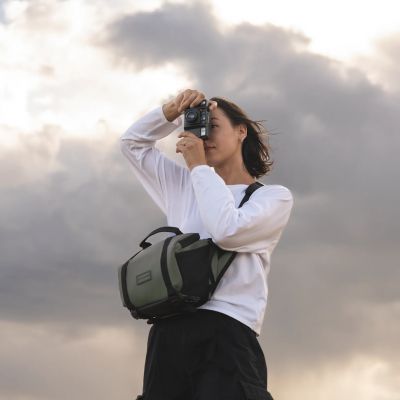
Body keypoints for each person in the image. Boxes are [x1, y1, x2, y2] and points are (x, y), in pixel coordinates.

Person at [120, 89, 293, 400]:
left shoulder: (273, 197)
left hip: (227, 330)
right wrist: (171, 112)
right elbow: (132, 144)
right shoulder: (184, 186)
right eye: (198, 124)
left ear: (241, 131)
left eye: (213, 125)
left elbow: (226, 231)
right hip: (169, 327)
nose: (204, 135)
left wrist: (199, 167)